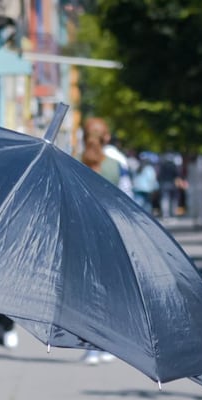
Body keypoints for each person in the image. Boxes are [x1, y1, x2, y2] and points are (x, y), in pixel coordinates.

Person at [77, 117, 125, 365]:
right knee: (110, 290)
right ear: (106, 137)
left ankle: (90, 346)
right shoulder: (115, 166)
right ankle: (108, 343)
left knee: (86, 292)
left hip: (82, 233)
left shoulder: (73, 161)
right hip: (110, 233)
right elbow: (125, 201)